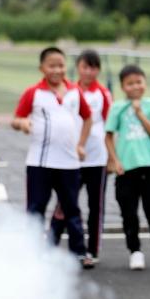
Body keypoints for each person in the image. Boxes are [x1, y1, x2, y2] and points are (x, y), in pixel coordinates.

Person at [12, 47, 94, 269]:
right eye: (51, 65)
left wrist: (81, 144)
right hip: (40, 162)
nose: (57, 70)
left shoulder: (75, 92)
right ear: (42, 68)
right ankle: (31, 250)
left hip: (68, 163)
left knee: (72, 209)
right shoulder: (34, 93)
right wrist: (24, 124)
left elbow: (88, 118)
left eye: (60, 65)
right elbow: (17, 118)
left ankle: (79, 251)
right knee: (36, 207)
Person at [104, 64, 150, 271]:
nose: (135, 86)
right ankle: (135, 251)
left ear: (145, 83)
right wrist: (114, 160)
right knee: (129, 212)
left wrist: (139, 113)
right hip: (126, 169)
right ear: (122, 86)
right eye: (130, 83)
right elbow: (108, 135)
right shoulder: (118, 107)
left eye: (139, 82)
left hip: (149, 167)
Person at [50, 49, 111, 264]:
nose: (89, 72)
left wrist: (112, 157)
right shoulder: (69, 92)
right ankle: (51, 244)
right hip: (70, 158)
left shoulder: (103, 93)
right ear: (78, 68)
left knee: (96, 205)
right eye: (85, 67)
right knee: (65, 203)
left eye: (93, 68)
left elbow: (108, 126)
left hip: (96, 157)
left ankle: (92, 250)